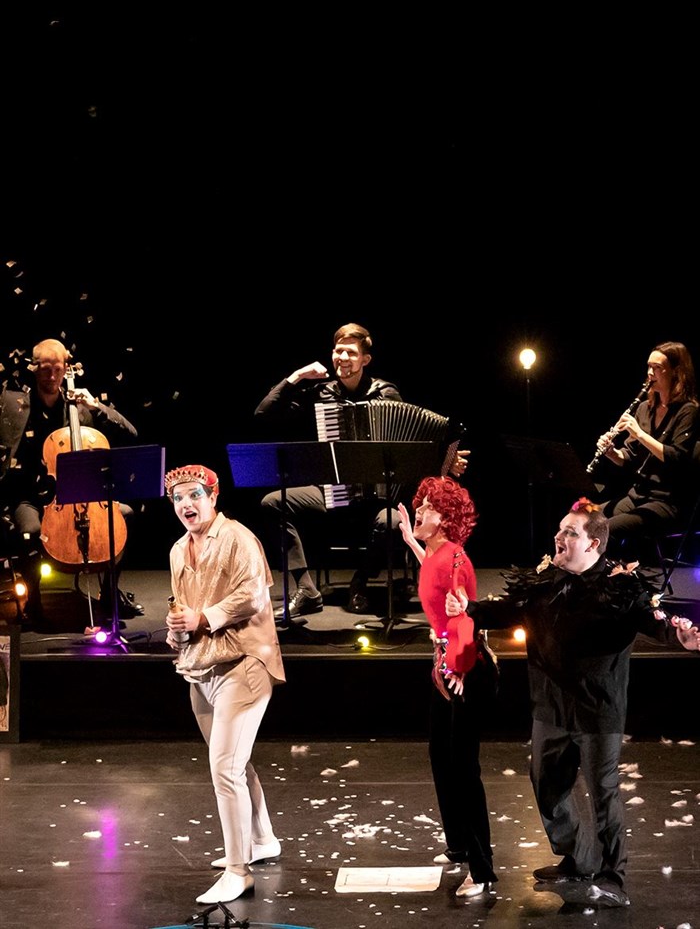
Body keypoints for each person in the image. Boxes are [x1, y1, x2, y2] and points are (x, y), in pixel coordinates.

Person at [446, 497, 700, 909]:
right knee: (546, 784)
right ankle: (579, 857)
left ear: (593, 544)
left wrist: (681, 638)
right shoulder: (545, 582)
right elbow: (507, 610)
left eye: (569, 532)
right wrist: (469, 609)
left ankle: (613, 878)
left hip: (597, 710)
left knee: (603, 794)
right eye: (560, 529)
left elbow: (654, 623)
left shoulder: (620, 589)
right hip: (550, 706)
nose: (558, 536)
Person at [254, 322, 469, 619]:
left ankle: (360, 582)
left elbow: (410, 445)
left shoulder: (386, 393)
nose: (343, 358)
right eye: (338, 351)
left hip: (380, 498)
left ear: (365, 359)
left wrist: (445, 460)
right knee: (273, 502)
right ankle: (306, 589)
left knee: (394, 521)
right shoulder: (320, 393)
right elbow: (264, 413)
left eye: (351, 353)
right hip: (331, 491)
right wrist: (297, 376)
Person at [164, 463, 286, 906]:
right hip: (201, 667)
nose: (186, 504)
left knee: (225, 768)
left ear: (213, 497)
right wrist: (178, 628)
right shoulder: (179, 550)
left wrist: (203, 617)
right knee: (235, 762)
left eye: (194, 495)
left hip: (244, 663)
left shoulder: (237, 538)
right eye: (178, 498)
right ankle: (262, 839)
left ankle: (239, 871)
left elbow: (252, 596)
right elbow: (183, 606)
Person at [398, 476, 498, 899]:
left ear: (445, 519)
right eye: (419, 506)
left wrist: (457, 665)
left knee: (463, 768)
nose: (418, 512)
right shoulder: (438, 553)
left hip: (465, 666)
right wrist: (411, 539)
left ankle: (481, 869)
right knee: (440, 754)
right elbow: (431, 571)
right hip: (446, 663)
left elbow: (464, 619)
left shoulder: (456, 559)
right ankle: (457, 844)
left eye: (427, 509)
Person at [0, 338, 142, 626]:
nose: (52, 377)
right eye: (46, 369)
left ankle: (109, 593)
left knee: (124, 515)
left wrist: (95, 405)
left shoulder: (79, 406)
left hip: (82, 494)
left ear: (67, 368)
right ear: (34, 368)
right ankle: (33, 601)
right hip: (32, 496)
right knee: (30, 530)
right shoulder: (14, 404)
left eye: (58, 369)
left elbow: (131, 432)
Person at [593, 341, 699, 573]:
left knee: (606, 530)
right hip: (638, 495)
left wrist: (639, 434)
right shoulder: (644, 408)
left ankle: (608, 583)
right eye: (649, 366)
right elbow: (629, 458)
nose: (650, 373)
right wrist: (611, 452)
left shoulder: (688, 411)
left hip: (667, 502)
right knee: (583, 519)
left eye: (657, 367)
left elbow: (676, 458)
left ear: (676, 372)